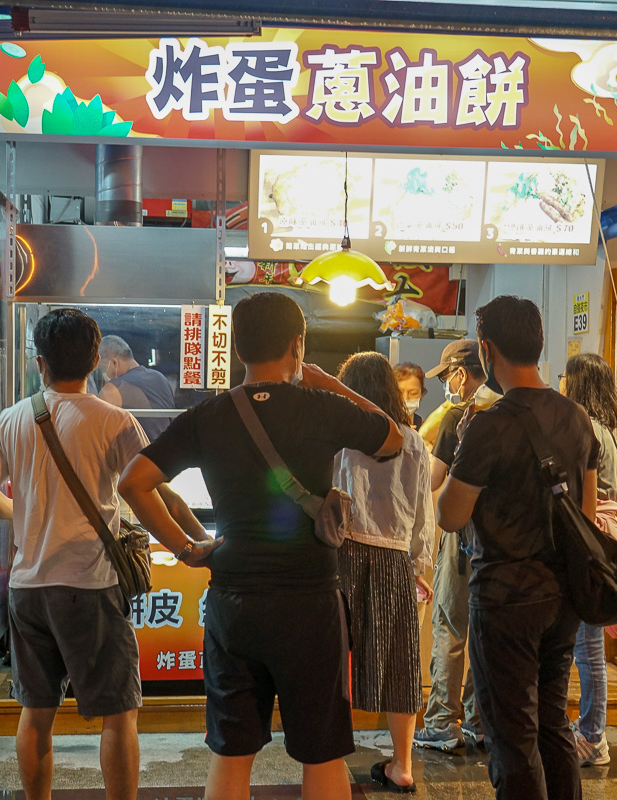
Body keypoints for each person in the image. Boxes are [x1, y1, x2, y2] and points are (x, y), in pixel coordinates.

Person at [118, 291, 403, 800]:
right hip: (311, 604)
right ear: (298, 344)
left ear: (238, 348)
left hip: (234, 603)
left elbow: (134, 482)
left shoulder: (207, 415)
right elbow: (392, 439)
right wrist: (330, 383)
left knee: (232, 753)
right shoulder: (320, 407)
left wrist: (186, 547)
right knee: (321, 754)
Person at [0, 308, 213, 800]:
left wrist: (23, 512)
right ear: (97, 359)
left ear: (40, 363)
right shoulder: (114, 421)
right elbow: (158, 495)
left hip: (27, 589)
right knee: (119, 713)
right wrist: (190, 546)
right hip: (89, 586)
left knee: (36, 713)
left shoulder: (13, 418)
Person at [437, 295, 598, 800]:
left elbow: (450, 515)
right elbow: (587, 516)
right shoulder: (577, 418)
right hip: (563, 596)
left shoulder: (487, 425)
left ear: (486, 350)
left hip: (506, 598)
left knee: (512, 735)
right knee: (552, 723)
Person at [334, 352, 435, 792]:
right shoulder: (414, 443)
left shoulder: (336, 438)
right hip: (395, 559)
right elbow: (423, 517)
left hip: (342, 556)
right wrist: (422, 568)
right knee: (399, 663)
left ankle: (329, 761)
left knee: (333, 660)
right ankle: (403, 764)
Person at [413, 340, 495, 753]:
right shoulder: (508, 409)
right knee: (484, 629)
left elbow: (430, 481)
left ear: (461, 374)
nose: (446, 384)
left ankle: (443, 722)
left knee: (450, 625)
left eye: (446, 376)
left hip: (462, 536)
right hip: (500, 542)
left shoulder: (457, 416)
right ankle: (481, 722)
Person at [559, 353, 617, 767]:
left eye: (566, 376)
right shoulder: (609, 431)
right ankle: (590, 730)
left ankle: (593, 736)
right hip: (606, 533)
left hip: (591, 535)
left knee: (588, 646)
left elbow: (582, 496)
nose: (560, 382)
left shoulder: (588, 431)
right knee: (589, 644)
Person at [99, 334, 177, 443]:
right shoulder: (160, 377)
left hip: (139, 457)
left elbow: (101, 436)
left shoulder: (113, 389)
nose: (103, 376)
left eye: (102, 370)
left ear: (113, 363)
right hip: (168, 452)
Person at [394, 361, 427, 429]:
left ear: (421, 394)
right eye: (399, 393)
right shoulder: (382, 426)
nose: (405, 398)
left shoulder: (424, 428)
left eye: (413, 393)